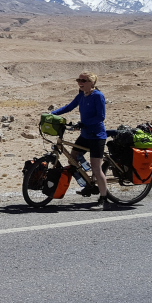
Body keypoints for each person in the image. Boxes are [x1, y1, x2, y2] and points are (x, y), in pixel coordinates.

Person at [50, 71, 111, 210]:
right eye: (78, 80)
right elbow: (69, 107)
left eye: (83, 80)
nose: (80, 83)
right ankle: (88, 184)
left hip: (96, 136)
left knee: (96, 168)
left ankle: (104, 199)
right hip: (85, 135)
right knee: (73, 158)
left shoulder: (98, 96)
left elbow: (100, 117)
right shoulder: (81, 95)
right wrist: (51, 114)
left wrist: (85, 123)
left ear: (92, 83)